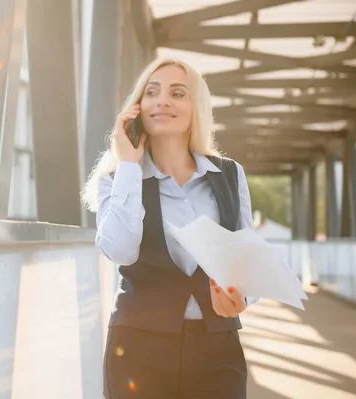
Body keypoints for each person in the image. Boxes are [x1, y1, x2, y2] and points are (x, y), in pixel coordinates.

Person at [81, 58, 257, 399]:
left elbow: (245, 258)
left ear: (197, 108)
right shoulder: (116, 179)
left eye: (178, 93)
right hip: (137, 346)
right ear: (137, 107)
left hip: (217, 346)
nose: (162, 100)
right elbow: (119, 251)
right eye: (151, 92)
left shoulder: (230, 175)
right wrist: (130, 167)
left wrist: (242, 297)